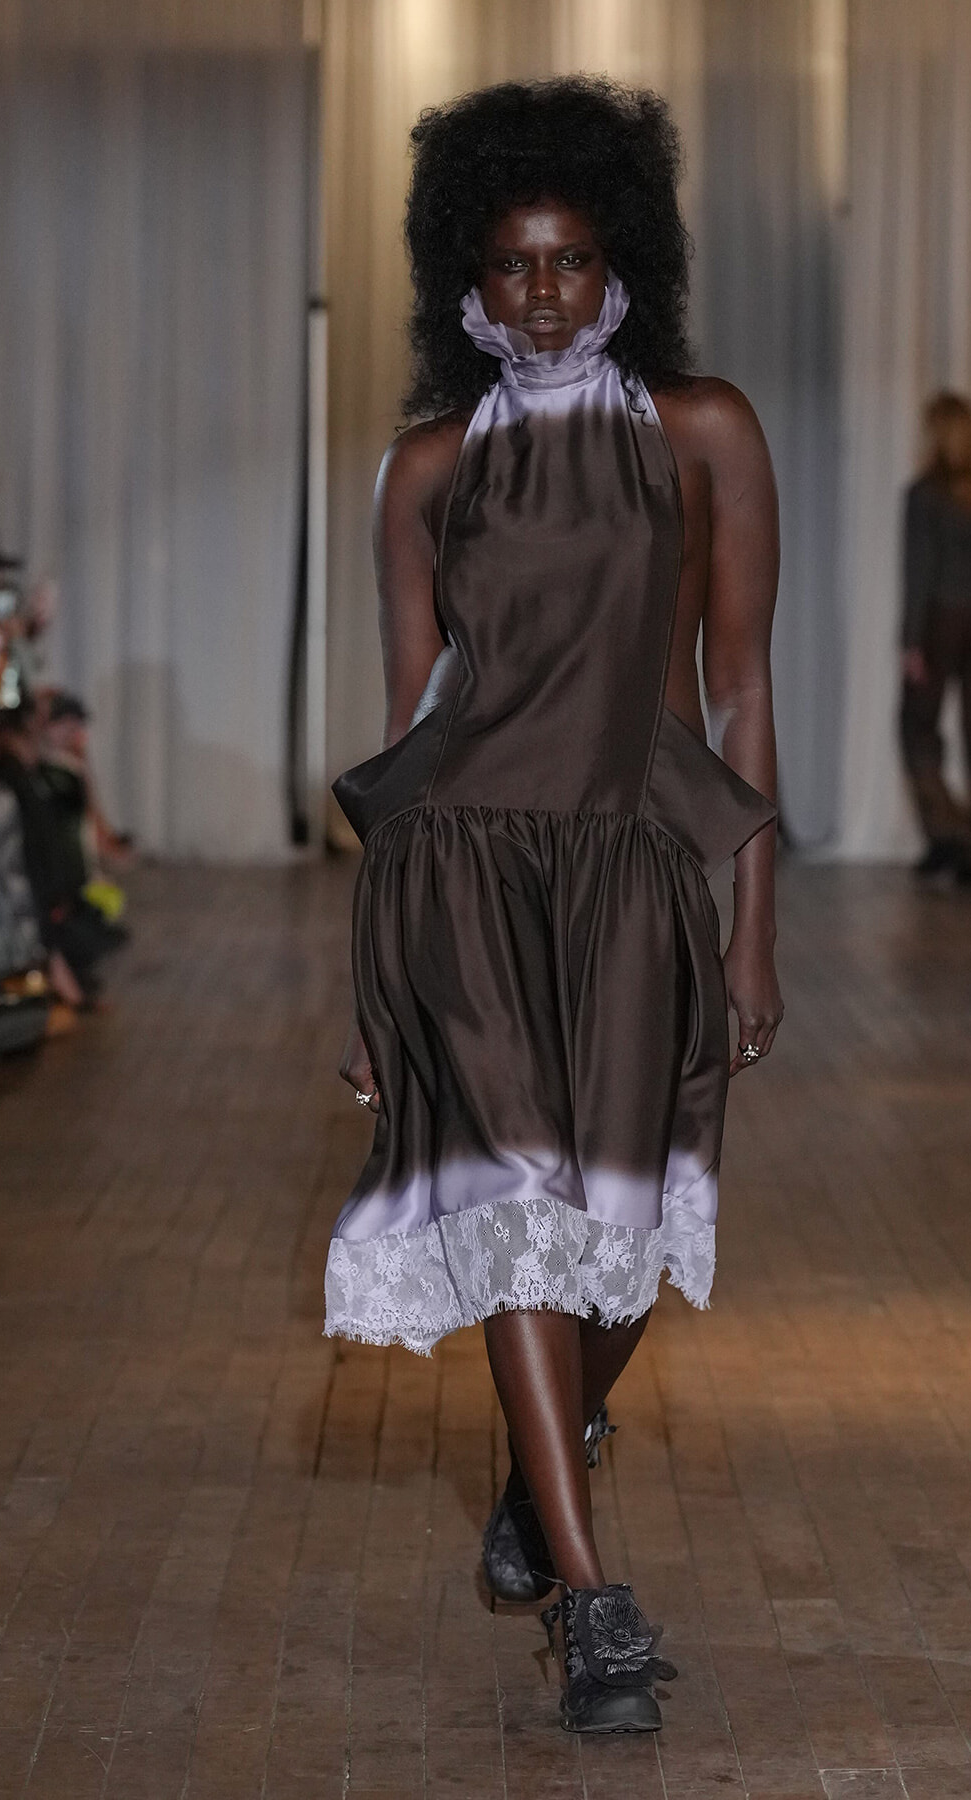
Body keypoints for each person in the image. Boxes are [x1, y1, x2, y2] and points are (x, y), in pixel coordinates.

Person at [324, 78, 782, 1734]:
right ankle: (592, 1606)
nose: (542, 291)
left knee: (629, 1234)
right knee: (520, 1202)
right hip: (460, 879)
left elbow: (741, 691)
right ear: (466, 272)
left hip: (644, 866)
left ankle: (546, 1458)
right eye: (513, 262)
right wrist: (368, 982)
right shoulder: (430, 469)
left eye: (573, 260)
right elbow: (405, 733)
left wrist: (754, 918)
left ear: (621, 271)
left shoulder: (702, 431)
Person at [900, 391, 971, 886]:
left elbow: (919, 572)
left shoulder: (924, 495)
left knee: (915, 725)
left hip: (941, 617)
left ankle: (948, 830)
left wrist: (910, 640)